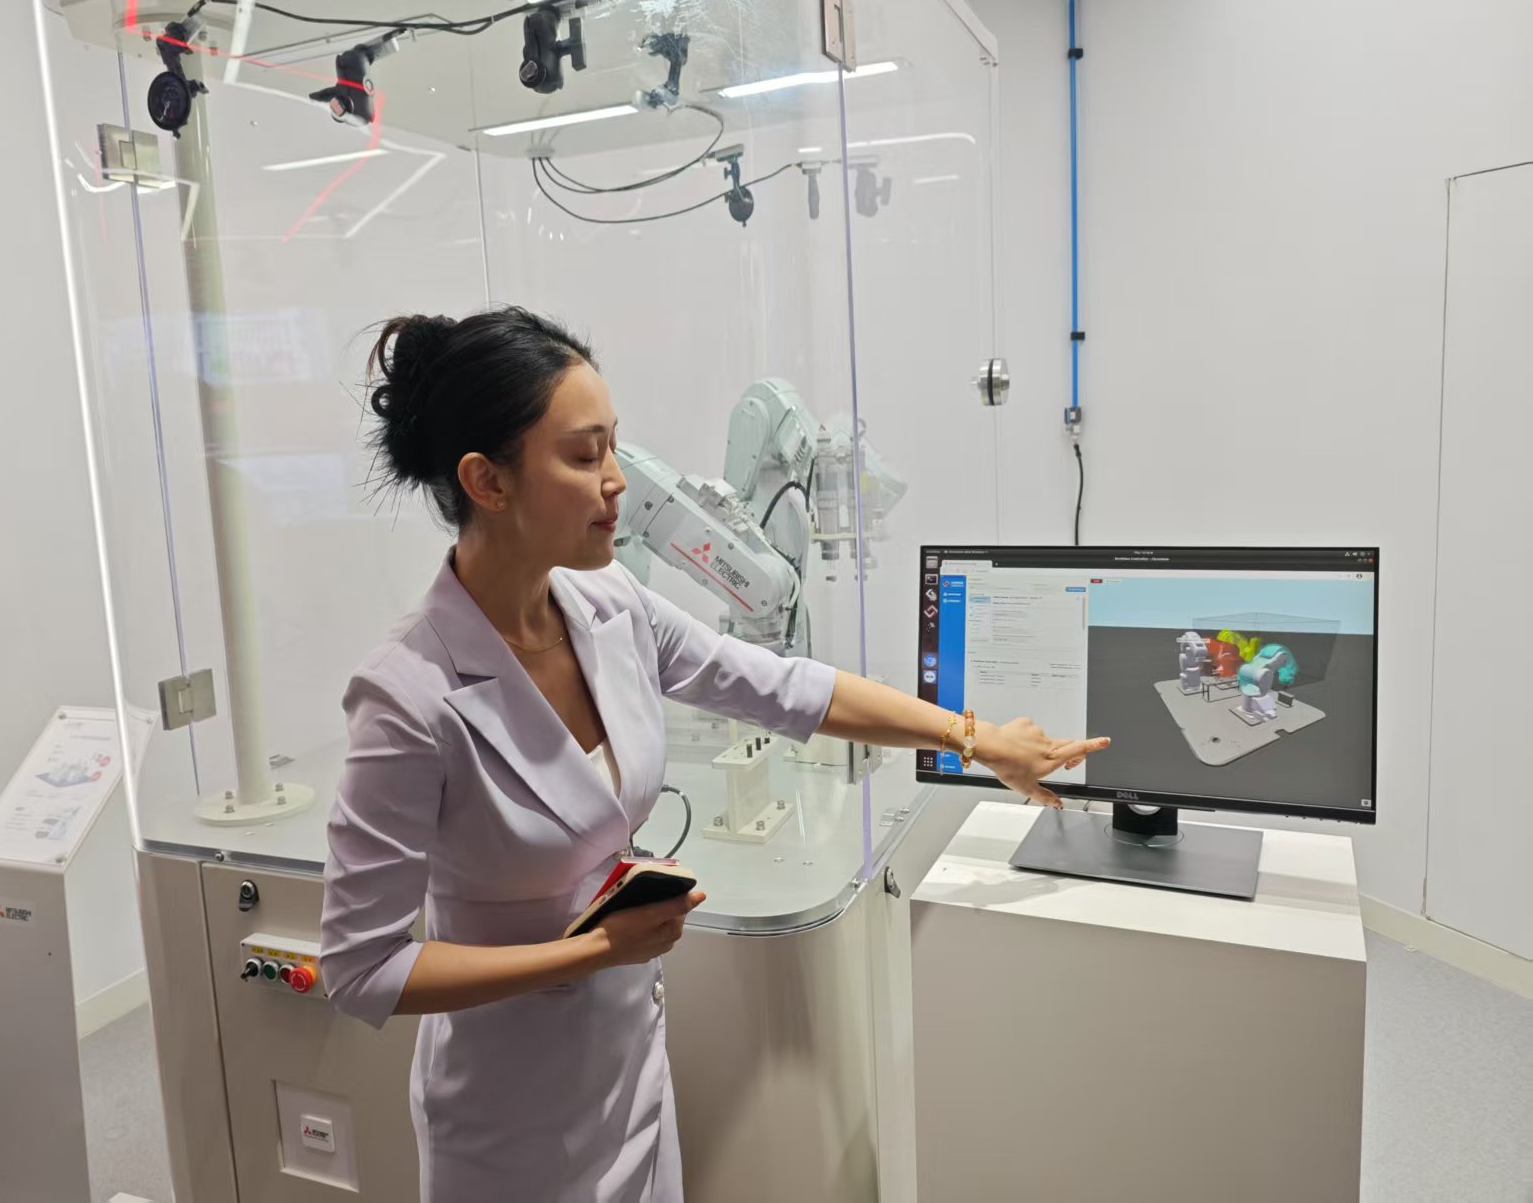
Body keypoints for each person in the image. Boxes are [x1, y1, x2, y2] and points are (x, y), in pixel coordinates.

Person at [319, 307, 1110, 1203]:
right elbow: (362, 969)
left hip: (633, 1081)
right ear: (487, 481)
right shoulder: (409, 694)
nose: (618, 481)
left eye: (614, 445)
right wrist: (591, 951)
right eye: (583, 455)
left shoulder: (610, 607)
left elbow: (784, 686)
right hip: (507, 1128)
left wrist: (973, 737)